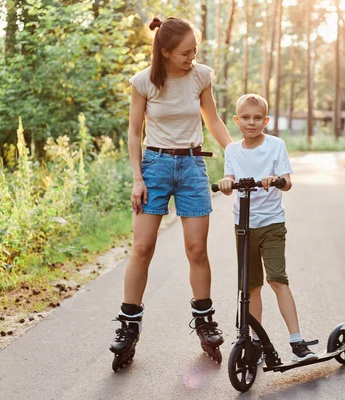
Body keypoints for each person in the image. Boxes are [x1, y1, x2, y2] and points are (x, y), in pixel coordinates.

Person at [109, 16, 232, 363]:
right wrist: (137, 177)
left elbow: (213, 120)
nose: (191, 57)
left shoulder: (201, 76)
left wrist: (237, 155)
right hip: (155, 167)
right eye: (184, 52)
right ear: (164, 52)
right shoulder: (143, 81)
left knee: (196, 250)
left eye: (194, 50)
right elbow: (134, 132)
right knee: (143, 247)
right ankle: (128, 326)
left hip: (192, 166)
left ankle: (206, 323)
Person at [217, 94, 317, 362]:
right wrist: (226, 182)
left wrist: (276, 180)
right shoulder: (233, 150)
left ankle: (297, 342)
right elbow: (229, 178)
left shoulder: (276, 145)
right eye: (246, 118)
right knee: (250, 288)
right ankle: (256, 343)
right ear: (237, 121)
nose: (252, 122)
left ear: (266, 120)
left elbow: (287, 181)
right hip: (244, 227)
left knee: (277, 279)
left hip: (271, 224)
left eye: (257, 118)